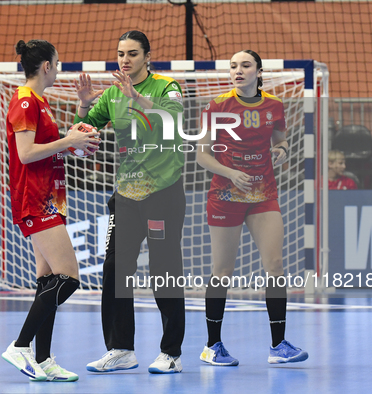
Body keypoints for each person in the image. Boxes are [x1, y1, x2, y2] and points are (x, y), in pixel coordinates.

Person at [74, 30, 186, 374]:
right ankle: (121, 348)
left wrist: (135, 97)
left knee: (163, 270)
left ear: (147, 57)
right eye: (121, 53)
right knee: (115, 267)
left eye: (133, 53)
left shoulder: (168, 88)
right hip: (126, 195)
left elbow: (172, 123)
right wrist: (84, 104)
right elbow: (82, 132)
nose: (125, 59)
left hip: (163, 194)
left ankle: (171, 353)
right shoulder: (111, 94)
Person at [196, 50, 308, 366]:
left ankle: (278, 345)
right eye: (233, 66)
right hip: (226, 196)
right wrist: (231, 173)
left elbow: (281, 141)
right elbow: (202, 155)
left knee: (275, 265)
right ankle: (212, 346)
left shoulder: (274, 106)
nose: (238, 70)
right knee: (223, 272)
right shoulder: (216, 106)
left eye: (245, 65)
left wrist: (282, 151)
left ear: (259, 71)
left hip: (264, 195)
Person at [1, 38, 101, 382]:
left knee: (47, 281)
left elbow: (51, 149)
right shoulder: (25, 101)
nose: (58, 69)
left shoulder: (40, 102)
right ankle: (20, 345)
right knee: (69, 278)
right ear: (46, 66)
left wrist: (82, 113)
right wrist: (70, 142)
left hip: (50, 197)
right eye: (57, 64)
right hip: (34, 199)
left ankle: (42, 360)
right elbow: (27, 153)